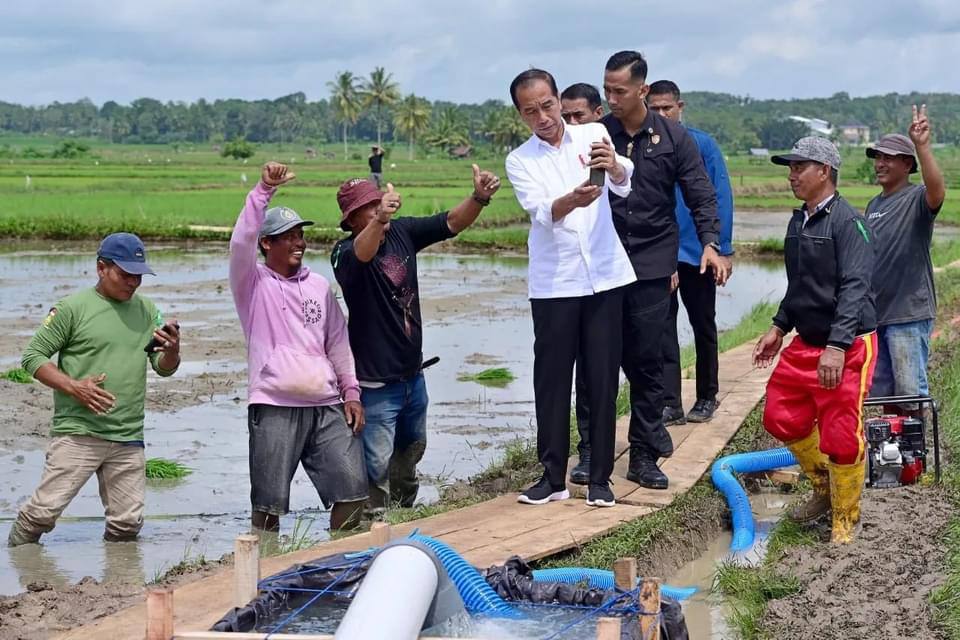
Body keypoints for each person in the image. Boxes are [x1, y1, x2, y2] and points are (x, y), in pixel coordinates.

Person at [574, 51, 727, 491]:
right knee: (594, 362)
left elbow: (701, 196)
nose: (611, 98)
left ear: (643, 89)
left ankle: (642, 454)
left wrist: (711, 245)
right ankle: (590, 452)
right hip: (600, 264)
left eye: (619, 90)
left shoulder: (675, 138)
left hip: (650, 262)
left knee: (647, 364)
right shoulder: (596, 134)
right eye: (606, 90)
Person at [332, 166, 500, 515]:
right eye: (369, 208)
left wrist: (479, 197)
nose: (379, 209)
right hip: (375, 385)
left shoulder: (402, 232)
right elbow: (363, 254)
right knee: (374, 464)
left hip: (412, 377)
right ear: (351, 221)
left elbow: (450, 222)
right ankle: (370, 524)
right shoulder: (344, 254)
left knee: (410, 452)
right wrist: (378, 221)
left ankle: (404, 512)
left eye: (378, 202)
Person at [505, 68, 636, 508]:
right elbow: (543, 211)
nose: (542, 116)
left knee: (601, 378)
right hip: (555, 281)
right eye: (530, 111)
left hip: (604, 275)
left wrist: (615, 165)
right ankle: (552, 477)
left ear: (559, 99)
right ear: (520, 115)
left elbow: (623, 181)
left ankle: (600, 478)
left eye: (547, 105)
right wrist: (571, 201)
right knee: (553, 381)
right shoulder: (520, 160)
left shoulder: (594, 133)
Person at [9, 233, 181, 546]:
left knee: (127, 524)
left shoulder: (148, 311)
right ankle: (19, 564)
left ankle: (118, 586)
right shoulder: (72, 309)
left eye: (138, 276)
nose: (132, 283)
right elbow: (32, 357)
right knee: (42, 514)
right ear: (101, 268)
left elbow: (163, 367)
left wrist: (172, 350)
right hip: (79, 432)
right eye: (125, 275)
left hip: (128, 434)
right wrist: (74, 387)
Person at [230, 162, 367, 534]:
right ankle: (267, 570)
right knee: (268, 507)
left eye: (300, 235)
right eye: (287, 236)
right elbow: (240, 239)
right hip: (274, 405)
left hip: (325, 404)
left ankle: (336, 560)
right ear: (266, 243)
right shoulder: (252, 283)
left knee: (353, 493)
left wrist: (351, 391)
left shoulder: (319, 286)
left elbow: (338, 342)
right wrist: (263, 190)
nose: (298, 242)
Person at [753, 137, 877, 544]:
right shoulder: (799, 221)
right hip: (806, 341)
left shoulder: (848, 223)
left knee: (841, 434)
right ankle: (824, 487)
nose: (792, 176)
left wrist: (838, 346)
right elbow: (799, 285)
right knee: (779, 414)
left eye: (799, 167)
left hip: (848, 345)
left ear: (824, 171)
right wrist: (778, 326)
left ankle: (846, 514)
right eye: (790, 168)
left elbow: (855, 288)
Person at [648, 80, 735, 426]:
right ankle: (671, 402)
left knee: (703, 324)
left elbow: (721, 197)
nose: (661, 114)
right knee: (663, 328)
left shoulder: (701, 145)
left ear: (680, 107)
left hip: (698, 252)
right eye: (655, 108)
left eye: (667, 107)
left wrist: (720, 248)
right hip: (660, 254)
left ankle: (707, 395)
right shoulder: (645, 145)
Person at [865, 105, 946, 409]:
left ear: (906, 164)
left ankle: (917, 454)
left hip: (908, 313)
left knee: (911, 393)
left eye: (887, 158)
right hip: (878, 315)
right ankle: (891, 455)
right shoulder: (873, 205)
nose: (880, 164)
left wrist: (923, 146)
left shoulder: (917, 198)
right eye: (877, 157)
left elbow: (937, 189)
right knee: (881, 395)